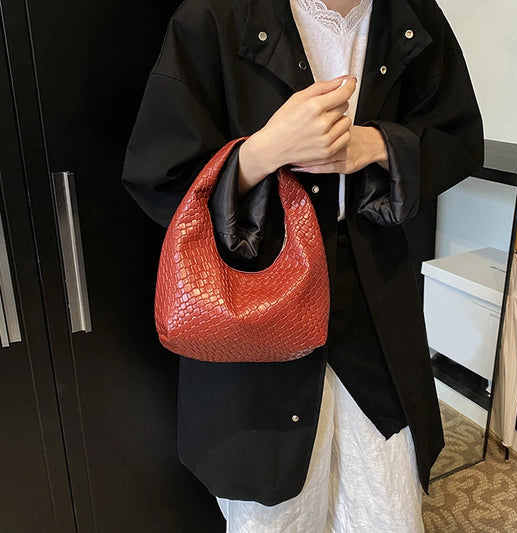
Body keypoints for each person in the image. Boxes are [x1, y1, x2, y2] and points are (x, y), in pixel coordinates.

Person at [121, 0, 484, 530]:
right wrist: (263, 152)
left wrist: (376, 144)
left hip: (375, 310)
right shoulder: (216, 14)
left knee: (387, 508)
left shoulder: (411, 13)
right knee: (276, 515)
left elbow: (457, 136)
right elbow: (160, 172)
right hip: (258, 309)